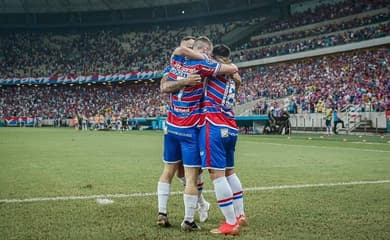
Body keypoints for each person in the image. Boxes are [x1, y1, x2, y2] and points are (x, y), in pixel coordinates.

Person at [157, 36, 238, 231]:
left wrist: (182, 79)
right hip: (191, 128)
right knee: (191, 176)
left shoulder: (174, 62)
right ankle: (188, 219)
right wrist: (234, 71)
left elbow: (164, 86)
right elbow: (230, 69)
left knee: (173, 172)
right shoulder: (204, 67)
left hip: (173, 126)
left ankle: (165, 212)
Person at [199, 44, 246, 235]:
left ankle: (229, 223)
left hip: (214, 124)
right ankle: (240, 215)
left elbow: (201, 64)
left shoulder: (214, 69)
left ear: (214, 56)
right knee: (229, 172)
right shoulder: (233, 77)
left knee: (217, 175)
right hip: (230, 126)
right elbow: (236, 76)